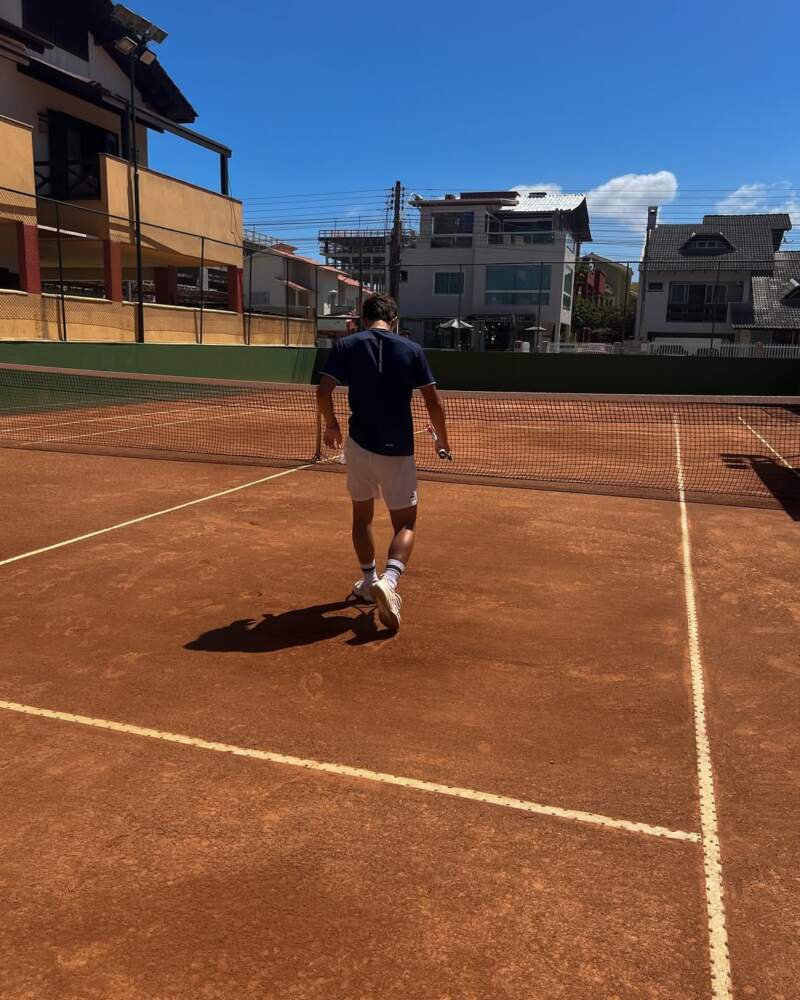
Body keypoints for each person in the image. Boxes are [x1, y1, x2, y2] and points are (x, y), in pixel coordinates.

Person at [316, 293, 451, 632]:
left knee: (361, 517)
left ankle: (368, 581)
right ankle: (388, 582)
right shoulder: (412, 349)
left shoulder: (345, 346)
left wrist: (331, 425)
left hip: (358, 446)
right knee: (406, 524)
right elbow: (433, 401)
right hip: (397, 449)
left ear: (364, 318)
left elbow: (323, 391)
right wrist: (443, 440)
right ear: (394, 319)